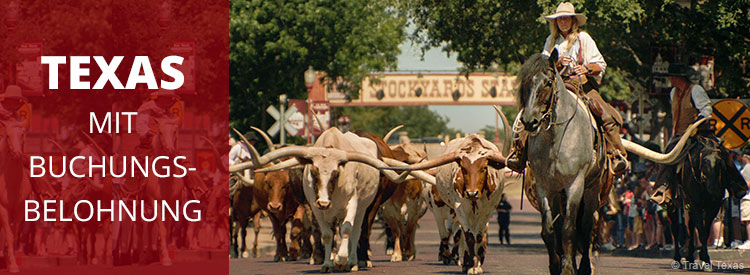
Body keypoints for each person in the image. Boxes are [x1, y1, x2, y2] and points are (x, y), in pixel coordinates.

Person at [507, 2, 628, 174]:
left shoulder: (583, 38)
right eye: (560, 19)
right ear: (556, 22)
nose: (563, 22)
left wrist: (586, 68)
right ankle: (518, 152)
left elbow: (600, 64)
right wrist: (556, 63)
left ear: (573, 21)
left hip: (581, 85)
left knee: (601, 111)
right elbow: (543, 67)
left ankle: (616, 153)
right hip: (555, 85)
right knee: (529, 110)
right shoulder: (551, 40)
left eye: (566, 19)